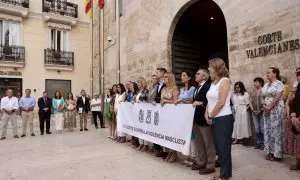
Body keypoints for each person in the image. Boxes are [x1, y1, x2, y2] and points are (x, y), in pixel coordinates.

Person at [206, 58, 233, 180]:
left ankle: (225, 175)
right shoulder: (213, 83)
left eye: (210, 66)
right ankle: (224, 173)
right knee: (218, 147)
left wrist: (211, 115)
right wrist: (206, 113)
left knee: (223, 147)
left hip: (223, 118)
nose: (208, 69)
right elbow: (210, 100)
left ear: (217, 67)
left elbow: (221, 102)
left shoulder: (225, 81)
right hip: (215, 117)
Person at [191, 69, 216, 175]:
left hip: (205, 119)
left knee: (208, 143)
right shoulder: (197, 87)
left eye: (198, 74)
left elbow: (211, 101)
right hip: (196, 119)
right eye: (196, 73)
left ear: (205, 77)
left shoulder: (208, 86)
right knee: (199, 142)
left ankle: (210, 165)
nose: (195, 75)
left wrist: (201, 103)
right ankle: (201, 162)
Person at [262, 67, 284, 161]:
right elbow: (262, 96)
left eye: (269, 72)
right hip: (266, 110)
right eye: (266, 73)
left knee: (276, 131)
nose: (267, 74)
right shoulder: (266, 85)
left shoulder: (279, 83)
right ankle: (269, 152)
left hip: (276, 110)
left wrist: (269, 106)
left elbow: (278, 97)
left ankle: (277, 154)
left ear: (275, 74)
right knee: (268, 130)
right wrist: (264, 105)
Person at [174, 71, 196, 167]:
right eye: (181, 75)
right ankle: (187, 155)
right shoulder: (182, 89)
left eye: (184, 75)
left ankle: (193, 156)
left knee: (192, 136)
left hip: (190, 115)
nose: (182, 77)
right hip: (183, 116)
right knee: (186, 136)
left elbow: (192, 100)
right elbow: (177, 100)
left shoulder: (192, 88)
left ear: (189, 77)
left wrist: (181, 100)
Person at [161, 72, 179, 163]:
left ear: (170, 78)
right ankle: (169, 152)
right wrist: (162, 100)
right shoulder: (163, 88)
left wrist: (165, 101)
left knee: (172, 133)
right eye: (164, 77)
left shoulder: (174, 89)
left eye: (166, 77)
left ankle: (174, 153)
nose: (164, 78)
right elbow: (161, 100)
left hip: (172, 114)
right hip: (164, 114)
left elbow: (175, 101)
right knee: (166, 134)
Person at [284, 71, 300, 170]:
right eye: (298, 76)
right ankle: (298, 163)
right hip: (295, 118)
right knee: (297, 141)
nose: (299, 78)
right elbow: (291, 103)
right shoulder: (296, 88)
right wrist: (292, 115)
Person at [152, 68, 167, 157]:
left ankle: (165, 151)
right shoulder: (156, 84)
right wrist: (153, 100)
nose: (156, 74)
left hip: (163, 110)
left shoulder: (166, 84)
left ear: (162, 73)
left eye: (157, 72)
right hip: (156, 110)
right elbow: (154, 96)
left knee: (163, 130)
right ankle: (158, 149)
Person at [250, 77, 265, 150]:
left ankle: (263, 143)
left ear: (261, 83)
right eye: (254, 82)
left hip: (262, 112)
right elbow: (250, 101)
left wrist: (261, 110)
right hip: (254, 112)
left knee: (262, 129)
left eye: (256, 82)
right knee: (257, 129)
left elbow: (266, 101)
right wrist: (252, 109)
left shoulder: (264, 91)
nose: (254, 83)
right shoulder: (252, 91)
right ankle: (258, 142)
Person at [135, 77, 149, 151]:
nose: (138, 84)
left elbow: (146, 99)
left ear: (142, 83)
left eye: (139, 82)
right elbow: (135, 99)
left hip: (144, 111)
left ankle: (146, 144)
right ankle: (141, 143)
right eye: (137, 82)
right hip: (138, 111)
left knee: (144, 127)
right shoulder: (138, 91)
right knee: (139, 127)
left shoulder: (146, 91)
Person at [128, 82, 140, 147]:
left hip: (136, 112)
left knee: (136, 127)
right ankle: (133, 140)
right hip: (131, 112)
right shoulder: (130, 93)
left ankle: (136, 142)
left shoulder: (136, 93)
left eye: (132, 86)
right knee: (132, 126)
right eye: (130, 86)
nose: (131, 87)